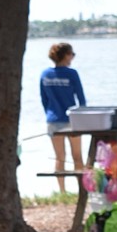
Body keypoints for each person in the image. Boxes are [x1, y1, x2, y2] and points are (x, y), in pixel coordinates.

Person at [40, 42, 86, 193]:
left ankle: (62, 191)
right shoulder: (72, 73)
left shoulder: (45, 74)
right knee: (77, 156)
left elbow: (44, 100)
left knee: (59, 157)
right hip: (72, 120)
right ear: (65, 55)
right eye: (72, 54)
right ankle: (81, 190)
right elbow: (81, 99)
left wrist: (49, 113)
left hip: (53, 120)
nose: (72, 57)